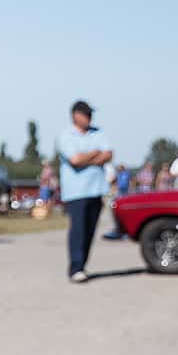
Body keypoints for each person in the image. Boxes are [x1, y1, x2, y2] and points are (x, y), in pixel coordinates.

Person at [57, 99, 113, 282]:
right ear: (76, 115)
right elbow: (75, 160)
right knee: (78, 230)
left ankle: (82, 265)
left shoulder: (98, 133)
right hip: (76, 191)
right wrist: (95, 154)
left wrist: (87, 158)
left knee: (90, 230)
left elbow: (108, 154)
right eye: (86, 114)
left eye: (91, 114)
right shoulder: (66, 136)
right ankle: (75, 267)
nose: (90, 118)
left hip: (96, 189)